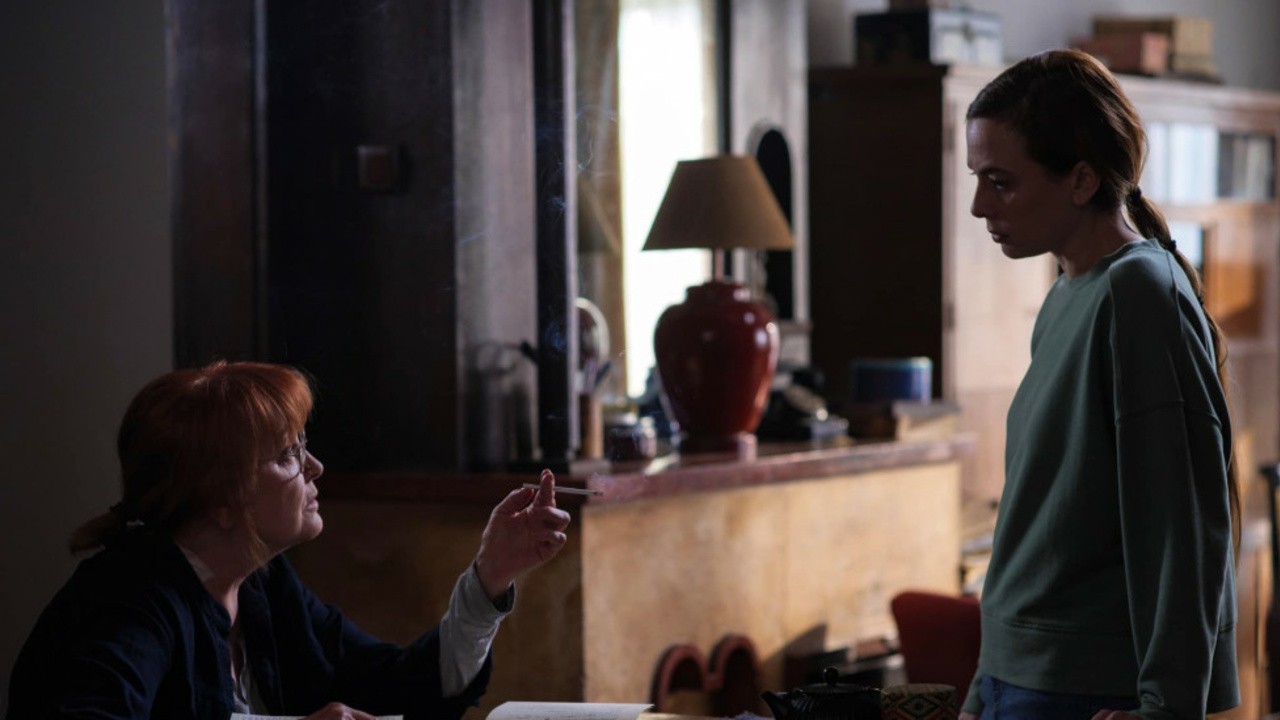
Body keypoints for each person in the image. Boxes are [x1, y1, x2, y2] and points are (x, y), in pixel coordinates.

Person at [6, 360, 572, 720]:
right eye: (287, 455)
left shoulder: (262, 583)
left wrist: (490, 574)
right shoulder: (129, 603)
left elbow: (404, 686)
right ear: (221, 498)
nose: (316, 467)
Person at [957, 49, 1238, 720]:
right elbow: (1035, 522)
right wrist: (984, 683)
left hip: (1080, 690)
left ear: (1081, 180)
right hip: (1017, 680)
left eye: (1000, 182)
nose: (978, 205)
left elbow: (1181, 521)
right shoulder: (1066, 292)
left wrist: (1168, 706)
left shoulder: (1138, 291)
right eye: (977, 179)